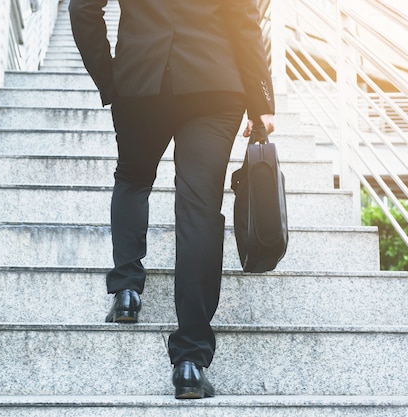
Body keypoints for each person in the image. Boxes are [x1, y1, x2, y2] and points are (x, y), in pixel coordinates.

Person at [69, 0, 275, 399]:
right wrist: (261, 101)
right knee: (198, 211)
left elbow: (83, 8)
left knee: (132, 178)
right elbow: (244, 18)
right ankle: (190, 362)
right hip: (214, 83)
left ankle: (127, 290)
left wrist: (109, 78)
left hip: (141, 81)